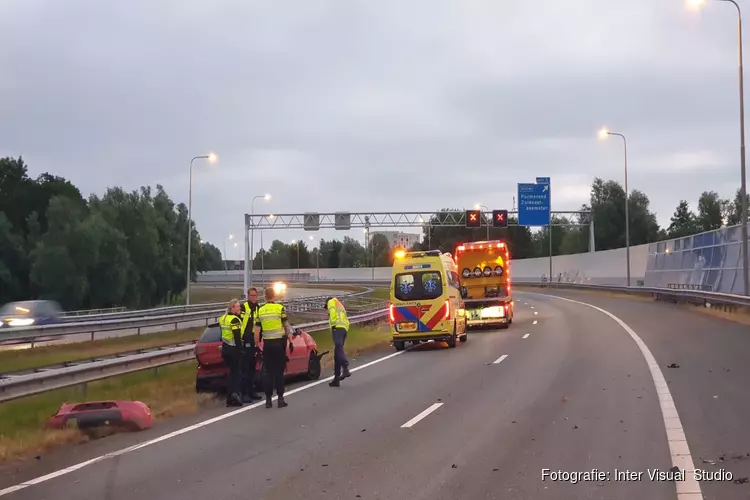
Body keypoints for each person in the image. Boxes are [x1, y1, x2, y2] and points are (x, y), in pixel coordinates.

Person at [254, 286, 293, 408]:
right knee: (279, 372)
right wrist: (291, 340)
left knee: (268, 372)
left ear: (265, 297)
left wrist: (257, 345)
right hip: (279, 344)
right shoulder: (279, 308)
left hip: (268, 345)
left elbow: (256, 331)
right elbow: (286, 326)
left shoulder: (260, 310)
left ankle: (268, 400)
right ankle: (280, 399)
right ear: (274, 296)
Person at [219, 299, 244, 407]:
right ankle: (234, 395)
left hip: (225, 348)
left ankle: (230, 397)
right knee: (236, 373)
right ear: (232, 307)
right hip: (233, 348)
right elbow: (237, 337)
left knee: (232, 372)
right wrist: (241, 350)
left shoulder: (223, 318)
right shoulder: (234, 320)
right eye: (238, 307)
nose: (240, 308)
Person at [239, 287, 262, 403]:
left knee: (253, 367)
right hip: (245, 340)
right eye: (252, 295)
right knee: (245, 369)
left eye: (255, 295)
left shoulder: (259, 308)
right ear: (248, 296)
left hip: (255, 340)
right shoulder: (244, 307)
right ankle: (244, 394)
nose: (254, 297)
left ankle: (252, 391)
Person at [325, 296, 351, 387]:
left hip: (337, 327)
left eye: (326, 308)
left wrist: (333, 325)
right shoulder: (340, 305)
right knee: (337, 353)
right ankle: (336, 378)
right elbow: (346, 320)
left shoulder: (331, 302)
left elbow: (332, 313)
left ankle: (345, 368)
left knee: (338, 347)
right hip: (344, 329)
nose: (327, 310)